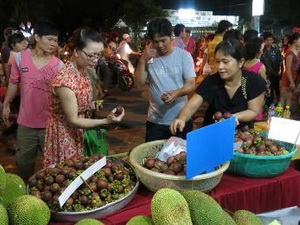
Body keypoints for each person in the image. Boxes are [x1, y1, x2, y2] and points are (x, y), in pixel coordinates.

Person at [43, 27, 125, 168]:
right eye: (91, 55)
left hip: (79, 131)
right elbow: (73, 120)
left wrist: (91, 105)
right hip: (64, 134)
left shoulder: (83, 70)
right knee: (67, 174)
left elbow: (78, 103)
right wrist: (106, 121)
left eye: (98, 55)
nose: (95, 60)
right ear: (76, 51)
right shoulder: (65, 81)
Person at [1, 20, 64, 181]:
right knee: (23, 164)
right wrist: (7, 103)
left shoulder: (59, 65)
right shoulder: (20, 59)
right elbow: (14, 83)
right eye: (49, 39)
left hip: (50, 125)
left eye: (56, 40)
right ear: (36, 37)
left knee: (53, 168)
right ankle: (25, 197)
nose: (53, 44)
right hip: (26, 124)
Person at [170, 38, 266, 134]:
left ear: (240, 62)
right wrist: (182, 118)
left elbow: (253, 111)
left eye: (225, 62)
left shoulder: (253, 81)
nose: (220, 67)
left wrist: (236, 117)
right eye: (217, 61)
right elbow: (191, 107)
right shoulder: (212, 81)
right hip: (212, 133)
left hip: (241, 135)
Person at [134, 17, 196, 142]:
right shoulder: (148, 58)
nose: (160, 45)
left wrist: (176, 93)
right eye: (155, 42)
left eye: (163, 40)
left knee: (181, 158)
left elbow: (191, 84)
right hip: (155, 121)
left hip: (181, 119)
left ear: (171, 36)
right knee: (153, 157)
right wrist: (142, 60)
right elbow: (138, 84)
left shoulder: (184, 56)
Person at [243, 37, 268, 120]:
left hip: (243, 96)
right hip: (256, 97)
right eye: (261, 49)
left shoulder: (242, 64)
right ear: (257, 51)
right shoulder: (260, 66)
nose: (262, 51)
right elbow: (264, 86)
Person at [260, 31, 283, 105]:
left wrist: (278, 70)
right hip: (265, 74)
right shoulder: (261, 50)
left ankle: (272, 104)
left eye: (271, 40)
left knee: (273, 89)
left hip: (274, 73)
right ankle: (266, 104)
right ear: (264, 41)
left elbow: (280, 60)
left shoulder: (276, 49)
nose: (269, 42)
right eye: (267, 40)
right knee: (265, 90)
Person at [280, 32, 300, 109]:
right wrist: (291, 82)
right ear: (295, 41)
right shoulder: (289, 53)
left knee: (289, 97)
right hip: (288, 76)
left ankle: (286, 115)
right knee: (283, 97)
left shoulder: (296, 50)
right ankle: (279, 114)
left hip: (293, 76)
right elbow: (287, 68)